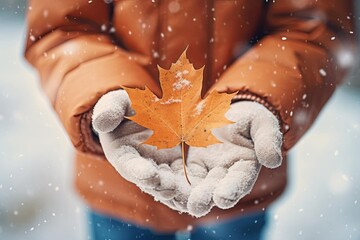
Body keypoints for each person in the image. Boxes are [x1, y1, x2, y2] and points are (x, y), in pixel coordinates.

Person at [24, 0, 356, 239]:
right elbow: (61, 29)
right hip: (119, 184)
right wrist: (101, 92)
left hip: (240, 180)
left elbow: (315, 28)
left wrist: (261, 99)